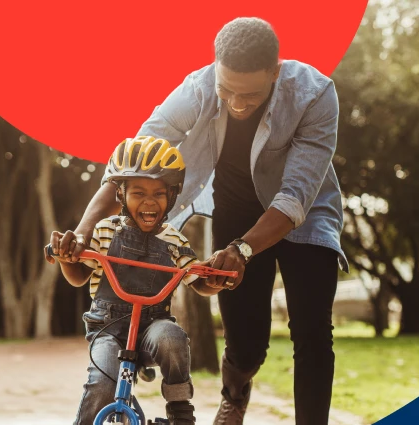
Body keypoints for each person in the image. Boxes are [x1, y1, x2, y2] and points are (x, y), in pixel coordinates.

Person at [46, 17, 349, 425]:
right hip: (236, 212)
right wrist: (83, 232)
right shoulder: (198, 88)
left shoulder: (315, 95)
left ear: (275, 72)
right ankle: (236, 395)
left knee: (312, 331)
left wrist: (244, 250)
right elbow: (133, 162)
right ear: (216, 69)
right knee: (246, 342)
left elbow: (294, 197)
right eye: (228, 91)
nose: (237, 104)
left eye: (251, 95)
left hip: (306, 215)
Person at [48, 136, 229, 425]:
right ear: (120, 195)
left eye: (159, 193)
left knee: (172, 338)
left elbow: (197, 279)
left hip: (151, 330)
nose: (149, 201)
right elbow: (79, 277)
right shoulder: (106, 231)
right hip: (107, 329)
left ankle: (180, 411)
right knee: (103, 381)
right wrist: (67, 259)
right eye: (138, 193)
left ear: (172, 196)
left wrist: (215, 280)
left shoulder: (173, 240)